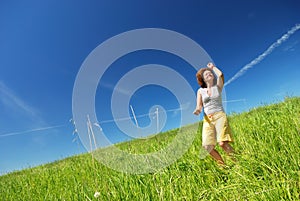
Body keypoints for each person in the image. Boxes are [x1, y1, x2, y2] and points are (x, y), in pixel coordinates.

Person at [193, 62, 234, 166]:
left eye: (210, 73)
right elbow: (199, 105)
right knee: (207, 147)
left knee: (222, 143)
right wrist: (197, 110)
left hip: (219, 116)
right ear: (202, 79)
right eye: (206, 74)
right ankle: (224, 167)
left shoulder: (217, 87)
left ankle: (238, 163)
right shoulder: (200, 91)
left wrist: (213, 67)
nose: (209, 74)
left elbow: (220, 75)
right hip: (207, 119)